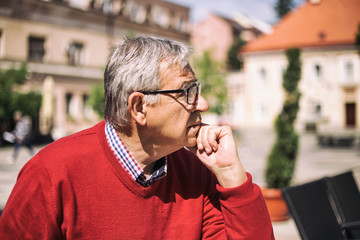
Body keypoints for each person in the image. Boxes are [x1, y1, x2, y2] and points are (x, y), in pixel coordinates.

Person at [0, 36, 274, 239]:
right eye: (187, 92)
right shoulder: (51, 173)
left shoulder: (195, 172)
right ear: (140, 108)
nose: (202, 103)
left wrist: (231, 175)